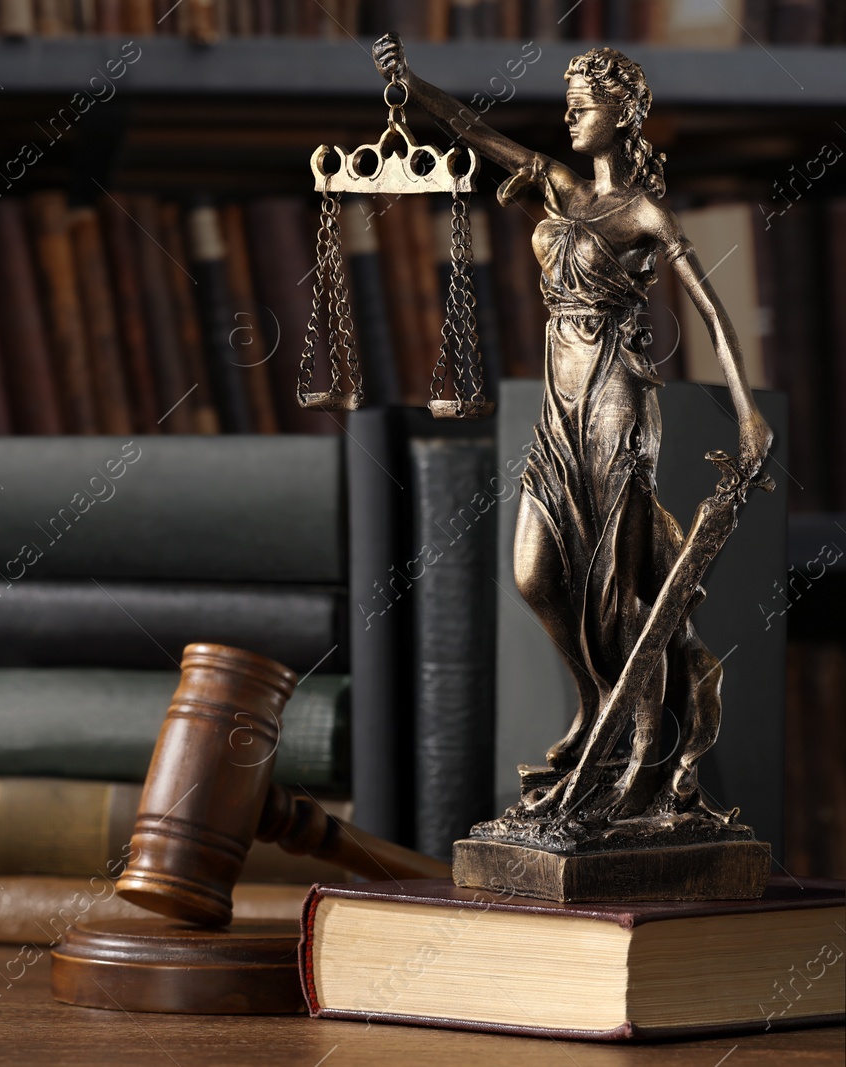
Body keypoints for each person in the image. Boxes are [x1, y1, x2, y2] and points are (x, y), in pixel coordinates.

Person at [370, 34, 772, 830]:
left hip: (618, 398)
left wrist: (748, 410)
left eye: (583, 107)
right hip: (557, 401)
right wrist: (408, 86)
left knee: (619, 593)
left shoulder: (645, 213)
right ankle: (598, 707)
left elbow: (714, 315)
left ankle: (642, 754)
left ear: (623, 117)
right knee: (534, 572)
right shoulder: (555, 185)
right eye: (569, 105)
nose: (569, 118)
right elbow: (473, 134)